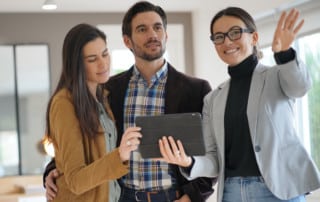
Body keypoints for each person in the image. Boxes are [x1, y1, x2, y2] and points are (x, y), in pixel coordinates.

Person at [44, 1, 216, 202]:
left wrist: (191, 198)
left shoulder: (196, 90)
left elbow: (212, 156)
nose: (152, 34)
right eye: (142, 29)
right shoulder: (107, 90)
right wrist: (53, 171)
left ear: (166, 35)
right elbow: (84, 145)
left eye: (158, 27)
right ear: (127, 41)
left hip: (173, 197)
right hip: (121, 197)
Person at [159, 7, 320, 202]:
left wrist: (284, 53)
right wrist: (188, 162)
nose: (227, 41)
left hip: (278, 191)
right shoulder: (213, 99)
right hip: (232, 192)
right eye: (219, 37)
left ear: (253, 38)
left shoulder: (276, 75)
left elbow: (300, 87)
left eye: (235, 33)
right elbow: (213, 160)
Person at [44, 23, 142, 202]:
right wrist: (120, 155)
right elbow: (75, 180)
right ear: (77, 65)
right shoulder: (64, 103)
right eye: (92, 59)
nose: (103, 63)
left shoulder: (102, 98)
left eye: (105, 54)